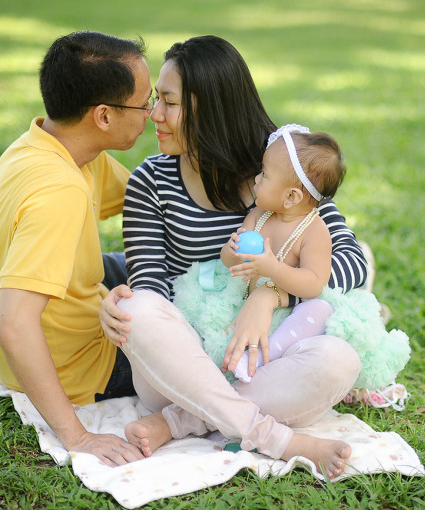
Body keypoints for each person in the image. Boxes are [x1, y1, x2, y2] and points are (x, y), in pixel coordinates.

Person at [99, 36, 367, 478]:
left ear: (212, 107)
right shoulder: (150, 182)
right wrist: (122, 305)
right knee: (137, 308)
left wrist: (268, 296)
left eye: (168, 102)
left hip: (262, 363)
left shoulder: (281, 167)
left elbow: (351, 266)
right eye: (155, 101)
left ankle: (183, 422)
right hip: (179, 367)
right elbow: (152, 287)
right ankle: (278, 439)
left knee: (339, 360)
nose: (155, 115)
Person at [0, 31, 153, 466]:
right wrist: (77, 435)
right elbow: (13, 324)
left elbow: (147, 205)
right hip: (80, 368)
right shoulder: (59, 190)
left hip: (69, 297)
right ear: (103, 115)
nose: (152, 112)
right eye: (145, 103)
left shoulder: (53, 145)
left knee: (150, 267)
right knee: (199, 321)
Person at [220, 124, 347, 382]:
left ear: (291, 197)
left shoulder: (314, 231)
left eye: (264, 175)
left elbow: (313, 284)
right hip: (246, 307)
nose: (256, 179)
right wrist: (231, 251)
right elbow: (227, 261)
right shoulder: (258, 215)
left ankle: (269, 358)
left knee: (320, 311)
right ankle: (235, 358)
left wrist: (273, 269)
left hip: (286, 317)